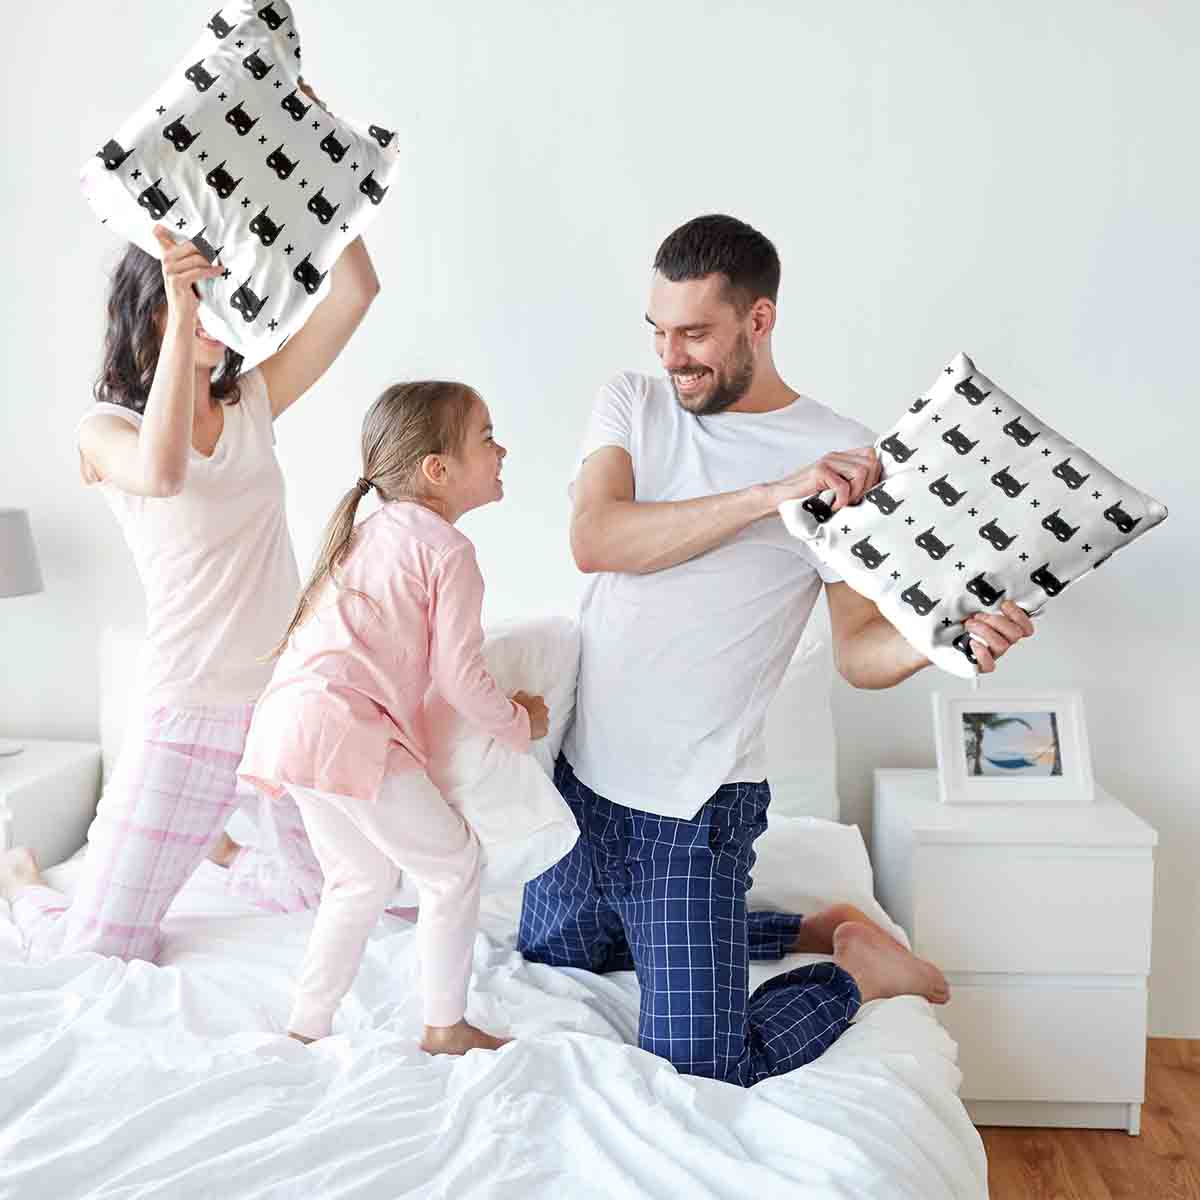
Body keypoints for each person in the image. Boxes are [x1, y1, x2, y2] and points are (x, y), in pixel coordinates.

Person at [518, 214, 1036, 1086]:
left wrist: (942, 646)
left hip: (693, 813)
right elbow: (597, 537)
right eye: (659, 330)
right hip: (585, 780)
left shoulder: (838, 458)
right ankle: (804, 922)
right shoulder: (634, 402)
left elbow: (859, 654)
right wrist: (770, 498)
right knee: (553, 947)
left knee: (705, 1064)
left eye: (695, 333)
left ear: (759, 322)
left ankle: (858, 967)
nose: (671, 354)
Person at [0, 88, 380, 953]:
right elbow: (165, 476)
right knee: (102, 950)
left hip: (285, 701)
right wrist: (183, 315)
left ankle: (224, 845)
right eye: (200, 296)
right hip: (189, 710)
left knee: (335, 897)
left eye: (224, 294)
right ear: (156, 306)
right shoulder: (105, 432)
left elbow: (356, 292)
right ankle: (25, 884)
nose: (221, 312)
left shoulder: (249, 400)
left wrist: (312, 135)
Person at [238, 381, 550, 1056]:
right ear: (438, 470)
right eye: (488, 437)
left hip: (288, 721)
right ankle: (444, 1025)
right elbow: (460, 678)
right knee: (452, 867)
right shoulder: (446, 550)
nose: (503, 450)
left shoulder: (369, 533)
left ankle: (306, 1025)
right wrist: (520, 722)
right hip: (346, 729)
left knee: (360, 878)